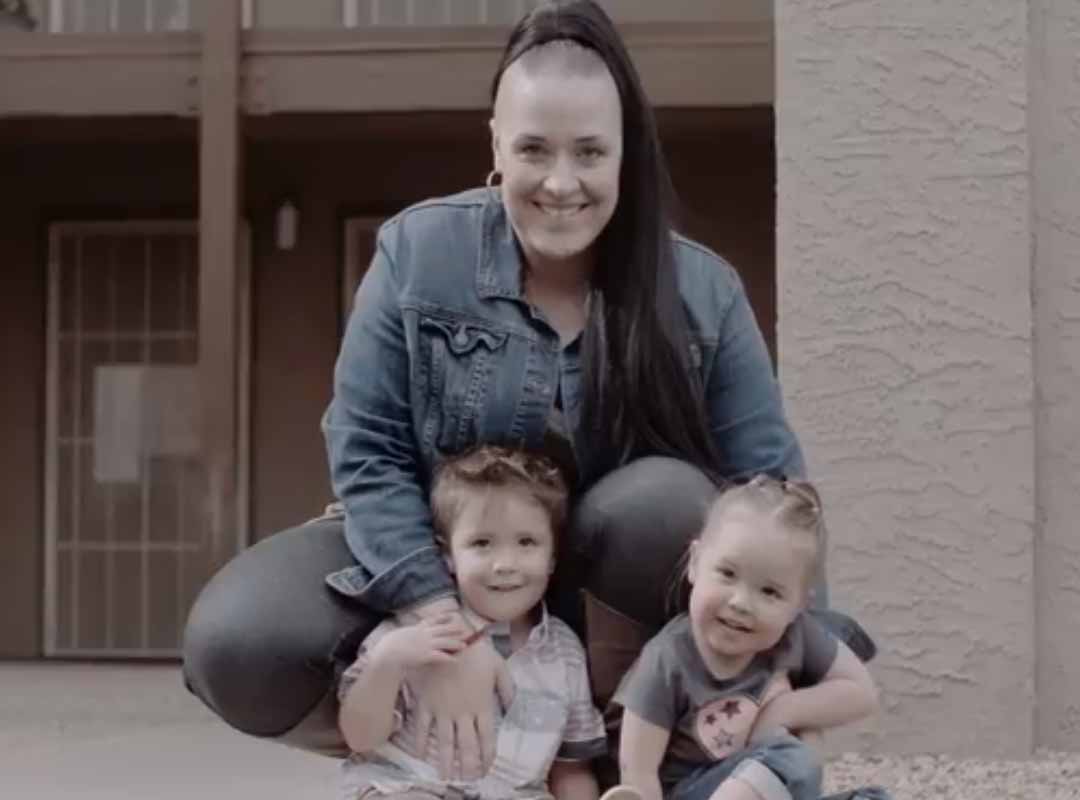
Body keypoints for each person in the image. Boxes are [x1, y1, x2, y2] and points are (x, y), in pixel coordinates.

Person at [181, 0, 875, 779]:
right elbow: (367, 446)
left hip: (610, 593)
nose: (560, 183)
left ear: (625, 156)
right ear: (496, 148)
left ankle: (621, 763)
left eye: (589, 153)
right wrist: (441, 624)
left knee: (665, 503)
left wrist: (793, 652)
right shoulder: (420, 253)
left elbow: (771, 484)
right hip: (448, 557)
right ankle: (436, 751)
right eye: (534, 150)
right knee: (235, 641)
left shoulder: (702, 292)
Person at [338, 446, 606, 799]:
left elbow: (571, 770)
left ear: (553, 558)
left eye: (527, 542)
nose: (505, 563)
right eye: (482, 543)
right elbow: (359, 737)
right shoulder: (412, 634)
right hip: (413, 785)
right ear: (447, 555)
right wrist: (388, 661)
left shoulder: (565, 651)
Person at [605, 478, 885, 800]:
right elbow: (638, 772)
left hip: (768, 784)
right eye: (727, 573)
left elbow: (861, 694)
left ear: (799, 605)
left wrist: (783, 711)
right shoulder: (667, 661)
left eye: (769, 591)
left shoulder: (797, 635)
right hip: (695, 792)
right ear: (695, 563)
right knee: (792, 756)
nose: (740, 602)